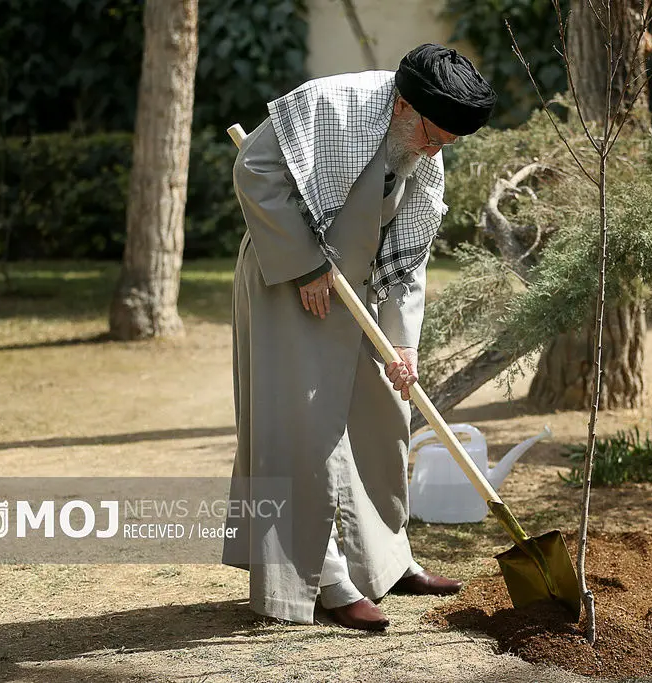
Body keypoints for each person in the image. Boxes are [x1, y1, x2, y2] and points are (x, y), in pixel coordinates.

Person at [221, 44, 496, 632]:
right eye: (434, 135)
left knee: (382, 417)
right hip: (290, 284)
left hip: (361, 293)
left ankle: (387, 561)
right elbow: (255, 171)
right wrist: (305, 266)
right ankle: (327, 581)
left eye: (448, 141)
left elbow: (410, 256)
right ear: (403, 105)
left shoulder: (423, 148)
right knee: (306, 430)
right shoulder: (329, 105)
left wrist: (403, 344)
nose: (436, 148)